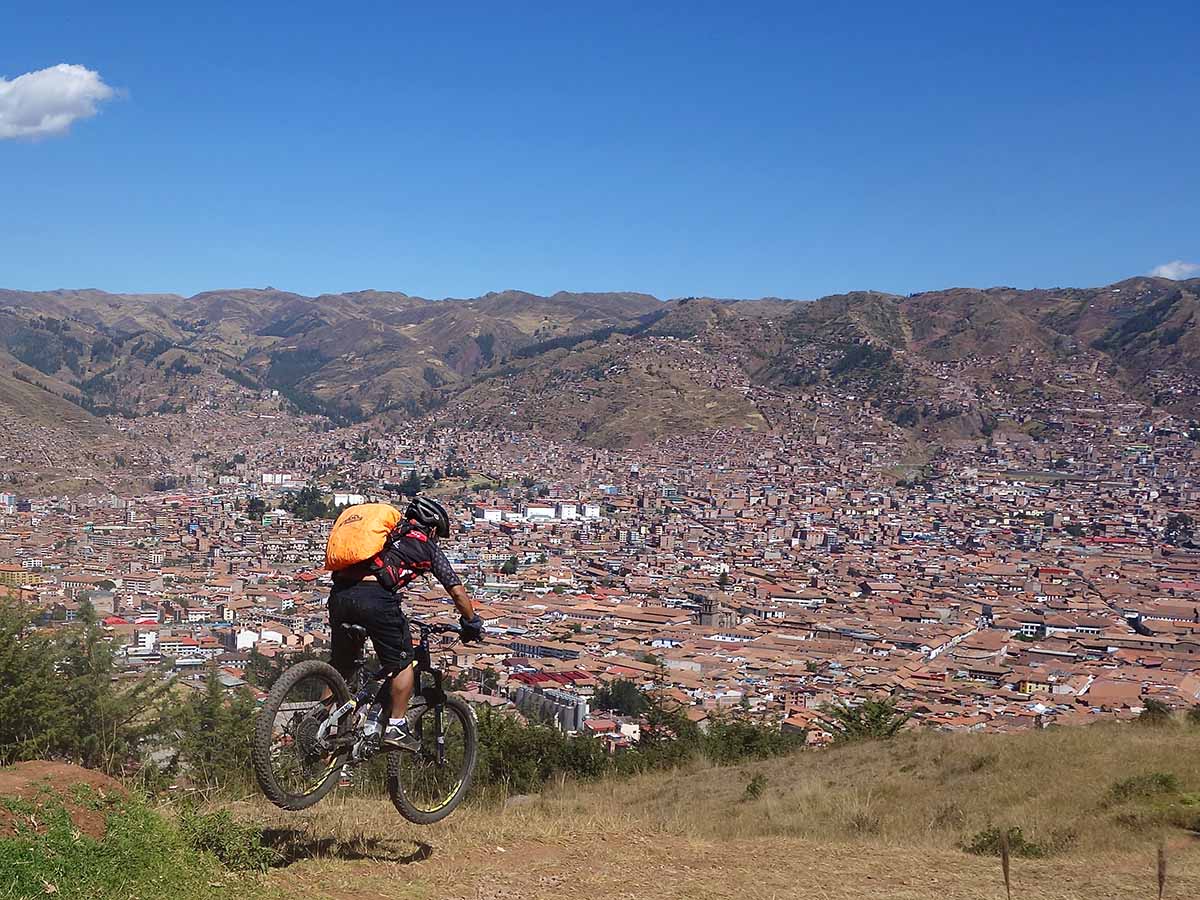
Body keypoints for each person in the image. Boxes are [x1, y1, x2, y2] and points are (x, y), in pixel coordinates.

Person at [328, 495, 484, 750]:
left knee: (340, 668)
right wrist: (472, 622)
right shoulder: (426, 545)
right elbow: (456, 591)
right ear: (432, 528)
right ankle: (396, 727)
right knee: (403, 663)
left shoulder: (385, 536)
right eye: (436, 533)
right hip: (375, 600)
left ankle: (321, 722)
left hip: (340, 595)